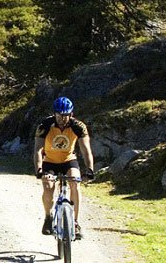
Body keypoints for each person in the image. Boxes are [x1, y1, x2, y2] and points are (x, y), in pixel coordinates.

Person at [34, 96, 95, 239]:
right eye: (59, 115)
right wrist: (39, 170)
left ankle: (74, 222)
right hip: (49, 161)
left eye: (66, 115)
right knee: (48, 187)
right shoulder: (45, 125)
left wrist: (90, 169)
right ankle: (48, 217)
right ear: (54, 114)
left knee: (75, 183)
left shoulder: (78, 126)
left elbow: (86, 150)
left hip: (69, 160)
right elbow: (37, 149)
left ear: (71, 114)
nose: (63, 118)